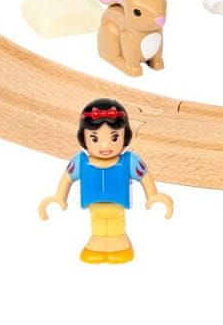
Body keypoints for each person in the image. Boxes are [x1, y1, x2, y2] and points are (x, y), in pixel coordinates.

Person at [39, 99, 173, 263]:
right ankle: (97, 244)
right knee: (98, 224)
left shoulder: (130, 161)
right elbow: (68, 178)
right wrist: (59, 197)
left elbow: (144, 176)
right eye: (94, 138)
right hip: (95, 206)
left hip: (117, 206)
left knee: (115, 223)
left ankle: (119, 245)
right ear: (84, 138)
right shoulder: (80, 162)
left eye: (114, 137)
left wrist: (153, 195)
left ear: (125, 135)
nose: (104, 145)